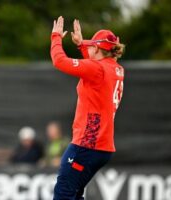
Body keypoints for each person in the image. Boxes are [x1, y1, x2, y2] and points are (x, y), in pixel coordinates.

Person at [50, 17, 125, 200]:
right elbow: (96, 68)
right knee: (74, 194)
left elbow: (59, 61)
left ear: (98, 48)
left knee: (63, 194)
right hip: (102, 146)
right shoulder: (116, 69)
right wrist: (83, 45)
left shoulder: (98, 70)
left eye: (92, 45)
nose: (88, 47)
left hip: (87, 143)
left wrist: (56, 37)